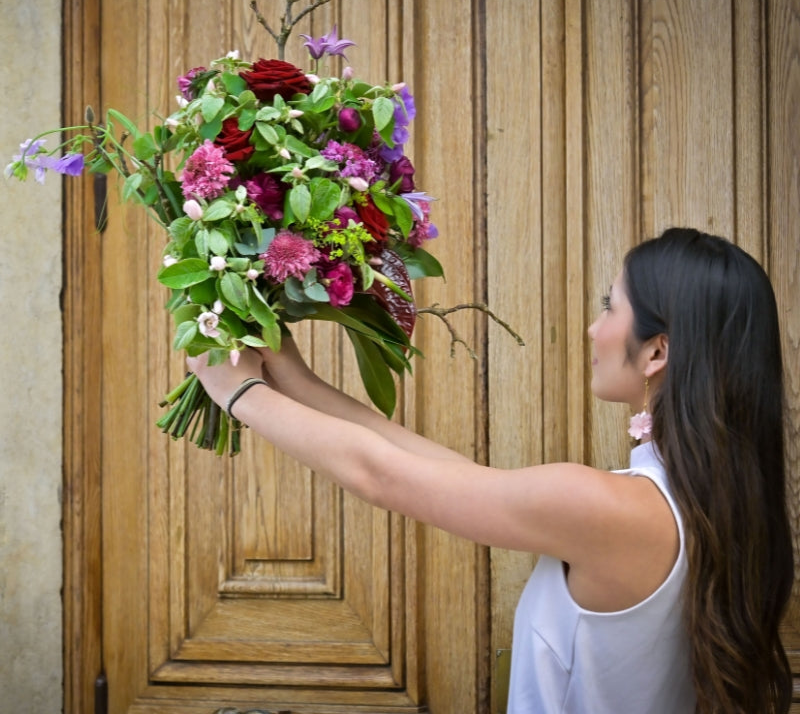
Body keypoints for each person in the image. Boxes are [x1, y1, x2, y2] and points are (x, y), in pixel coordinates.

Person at [188, 227, 794, 714]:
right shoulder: (704, 507)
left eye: (610, 305)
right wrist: (293, 378)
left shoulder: (613, 508)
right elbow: (445, 472)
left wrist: (240, 395)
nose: (593, 326)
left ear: (657, 351)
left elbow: (383, 477)